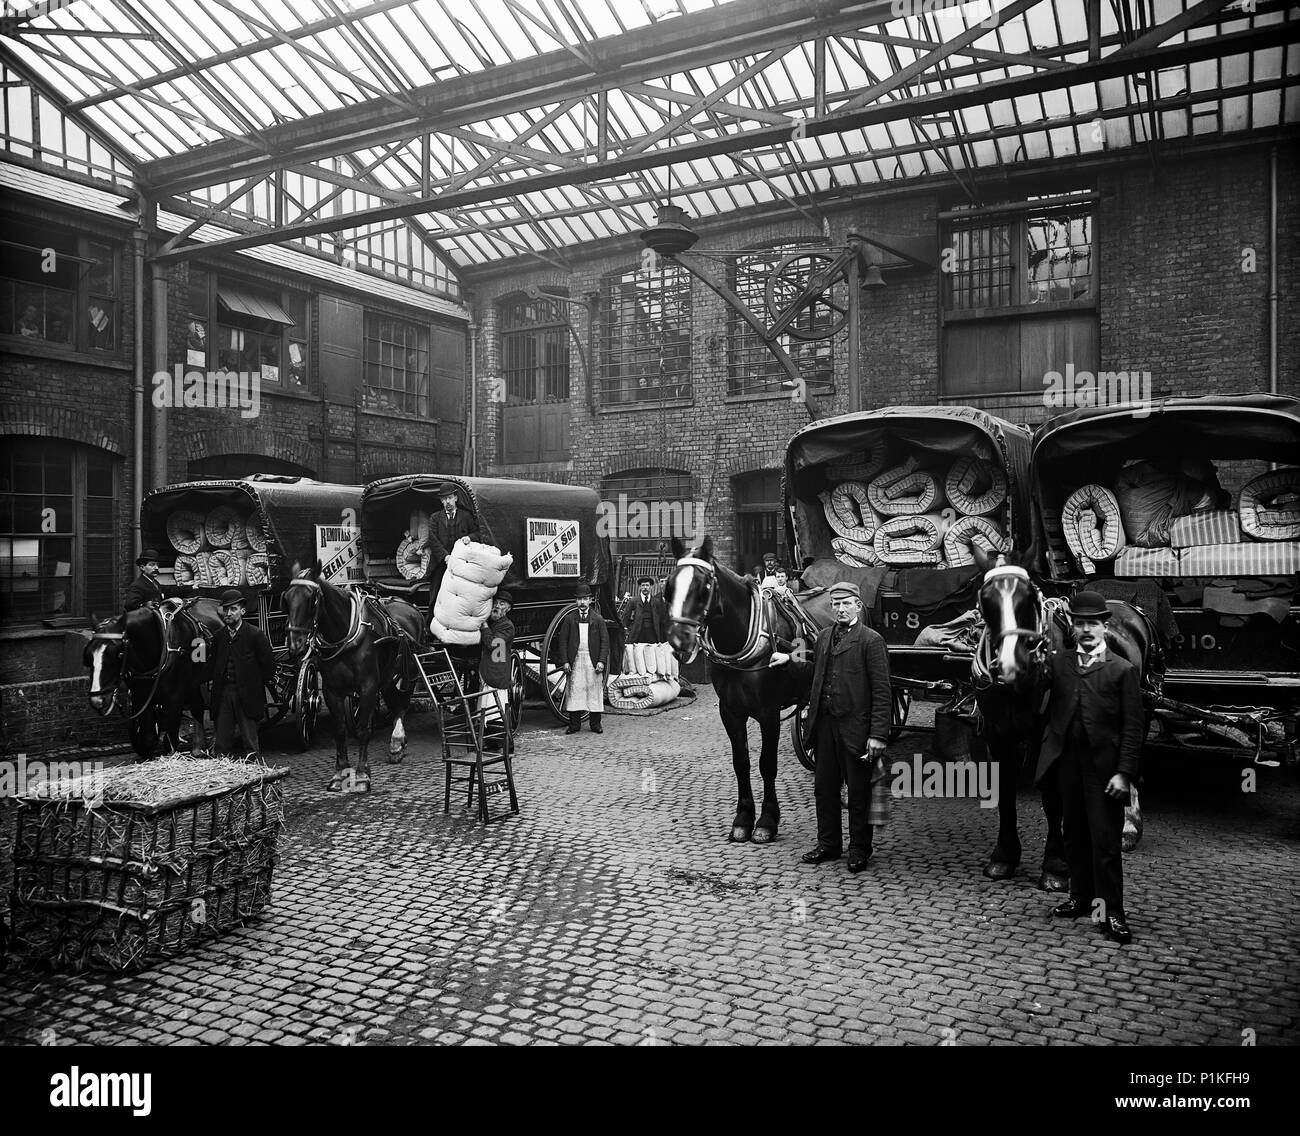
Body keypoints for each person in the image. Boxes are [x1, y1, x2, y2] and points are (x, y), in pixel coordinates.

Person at [1035, 590, 1143, 945]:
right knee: (1073, 834)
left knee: (1105, 841)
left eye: (1092, 624)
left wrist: (1123, 773)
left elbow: (1132, 728)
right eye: (1080, 623)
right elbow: (1032, 688)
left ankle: (1112, 911)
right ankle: (1080, 899)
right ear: (1073, 627)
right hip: (1067, 763)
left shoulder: (1121, 670)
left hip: (1103, 769)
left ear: (1103, 627)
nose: (1086, 630)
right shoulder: (1060, 663)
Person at [800, 581, 892, 873]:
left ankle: (859, 849)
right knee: (824, 788)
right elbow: (815, 673)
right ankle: (828, 845)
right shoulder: (824, 636)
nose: (840, 609)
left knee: (858, 792)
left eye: (845, 603)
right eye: (835, 604)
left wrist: (877, 735)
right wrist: (786, 659)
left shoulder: (871, 640)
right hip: (826, 725)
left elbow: (881, 691)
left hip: (856, 728)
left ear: (858, 605)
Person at [209, 588, 275, 760]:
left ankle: (255, 779)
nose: (228, 613)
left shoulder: (255, 635)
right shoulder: (218, 637)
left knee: (250, 744)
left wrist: (252, 683)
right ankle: (223, 781)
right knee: (222, 745)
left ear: (242, 611)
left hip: (247, 695)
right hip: (224, 695)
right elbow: (211, 665)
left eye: (233, 609)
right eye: (226, 610)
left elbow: (268, 668)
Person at [557, 582, 609, 734]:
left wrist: (601, 661)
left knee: (594, 691)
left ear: (590, 600)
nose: (582, 602)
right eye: (579, 599)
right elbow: (563, 641)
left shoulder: (598, 619)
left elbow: (605, 642)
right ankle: (574, 725)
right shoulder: (569, 619)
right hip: (576, 659)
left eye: (585, 599)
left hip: (592, 660)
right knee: (575, 690)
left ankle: (595, 724)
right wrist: (565, 661)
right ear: (576, 601)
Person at [424, 481, 480, 619]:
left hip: (462, 565)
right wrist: (446, 557)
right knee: (435, 597)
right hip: (440, 564)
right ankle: (429, 631)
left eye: (449, 498)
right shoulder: (435, 518)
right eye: (444, 499)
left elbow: (479, 534)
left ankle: (458, 627)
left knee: (462, 598)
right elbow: (433, 540)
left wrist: (469, 537)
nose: (447, 502)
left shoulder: (466, 516)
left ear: (455, 498)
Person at [479, 589, 516, 748]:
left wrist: (485, 628)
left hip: (498, 671)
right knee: (488, 707)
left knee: (496, 706)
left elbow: (493, 644)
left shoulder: (507, 626)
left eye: (502, 604)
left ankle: (503, 742)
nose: (497, 607)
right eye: (496, 603)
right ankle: (492, 741)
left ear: (508, 609)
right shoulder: (496, 623)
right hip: (491, 669)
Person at [123, 549, 195, 612]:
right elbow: (129, 606)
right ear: (142, 567)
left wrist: (192, 587)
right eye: (152, 565)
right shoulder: (137, 586)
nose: (156, 568)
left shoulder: (154, 583)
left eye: (157, 565)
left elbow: (170, 590)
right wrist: (145, 605)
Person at [622, 575, 667, 644]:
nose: (645, 587)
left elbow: (661, 621)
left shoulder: (657, 602)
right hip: (637, 637)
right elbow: (625, 619)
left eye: (647, 585)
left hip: (653, 637)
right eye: (643, 585)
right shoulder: (633, 601)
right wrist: (633, 628)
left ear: (651, 587)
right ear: (639, 587)